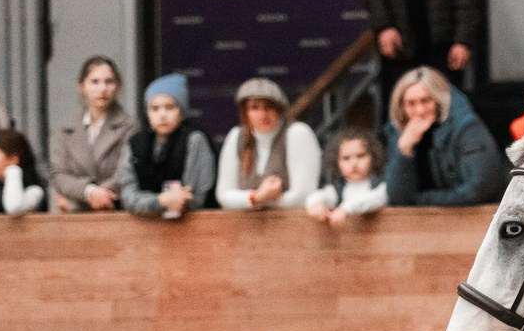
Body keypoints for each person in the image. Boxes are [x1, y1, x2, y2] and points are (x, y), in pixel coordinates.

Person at [382, 66, 506, 207]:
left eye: (426, 101)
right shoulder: (398, 134)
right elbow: (398, 198)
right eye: (411, 104)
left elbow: (480, 187)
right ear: (401, 108)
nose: (420, 110)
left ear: (439, 100)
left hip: (476, 218)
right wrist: (404, 151)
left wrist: (422, 200)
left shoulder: (466, 127)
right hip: (419, 223)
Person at [216, 77, 321, 211]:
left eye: (269, 107)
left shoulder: (297, 133)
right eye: (254, 107)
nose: (262, 114)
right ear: (245, 112)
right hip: (246, 229)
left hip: (293, 226)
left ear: (279, 109)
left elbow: (303, 196)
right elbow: (223, 195)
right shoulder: (237, 136)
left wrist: (258, 200)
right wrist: (256, 197)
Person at [119, 73, 216, 218]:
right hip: (145, 228)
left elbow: (196, 198)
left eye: (170, 107)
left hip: (193, 228)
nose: (162, 115)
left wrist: (169, 202)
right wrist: (160, 201)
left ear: (182, 111)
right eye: (155, 108)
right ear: (147, 113)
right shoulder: (135, 143)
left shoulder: (195, 139)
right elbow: (127, 196)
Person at [49, 56, 138, 212]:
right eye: (95, 82)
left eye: (109, 81)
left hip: (116, 211)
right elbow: (59, 175)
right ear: (82, 86)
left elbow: (125, 173)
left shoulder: (130, 126)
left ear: (118, 86)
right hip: (74, 220)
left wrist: (78, 203)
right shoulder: (64, 129)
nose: (102, 88)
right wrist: (90, 192)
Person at [306, 128, 388, 225]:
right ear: (337, 162)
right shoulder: (338, 188)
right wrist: (316, 204)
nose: (354, 163)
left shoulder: (381, 184)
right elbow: (319, 195)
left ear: (373, 157)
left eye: (360, 156)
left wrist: (346, 209)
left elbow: (377, 199)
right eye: (346, 158)